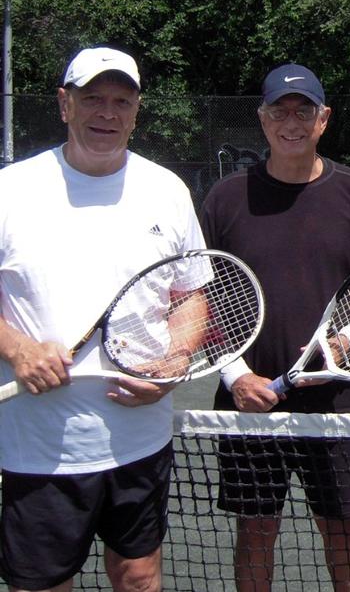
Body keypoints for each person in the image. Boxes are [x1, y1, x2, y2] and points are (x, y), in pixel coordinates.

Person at [0, 47, 207, 591]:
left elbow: (190, 295)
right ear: (64, 105)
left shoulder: (167, 191)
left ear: (137, 112)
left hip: (139, 439)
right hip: (38, 445)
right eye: (93, 98)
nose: (107, 113)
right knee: (42, 586)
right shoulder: (11, 190)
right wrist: (18, 349)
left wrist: (178, 357)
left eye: (122, 101)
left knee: (139, 577)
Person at [200, 62, 350, 592]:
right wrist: (236, 375)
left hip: (339, 400)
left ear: (323, 118)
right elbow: (200, 299)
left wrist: (342, 343)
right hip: (249, 400)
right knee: (256, 530)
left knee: (342, 529)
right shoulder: (223, 199)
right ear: (262, 120)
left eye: (303, 110)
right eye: (279, 112)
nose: (291, 122)